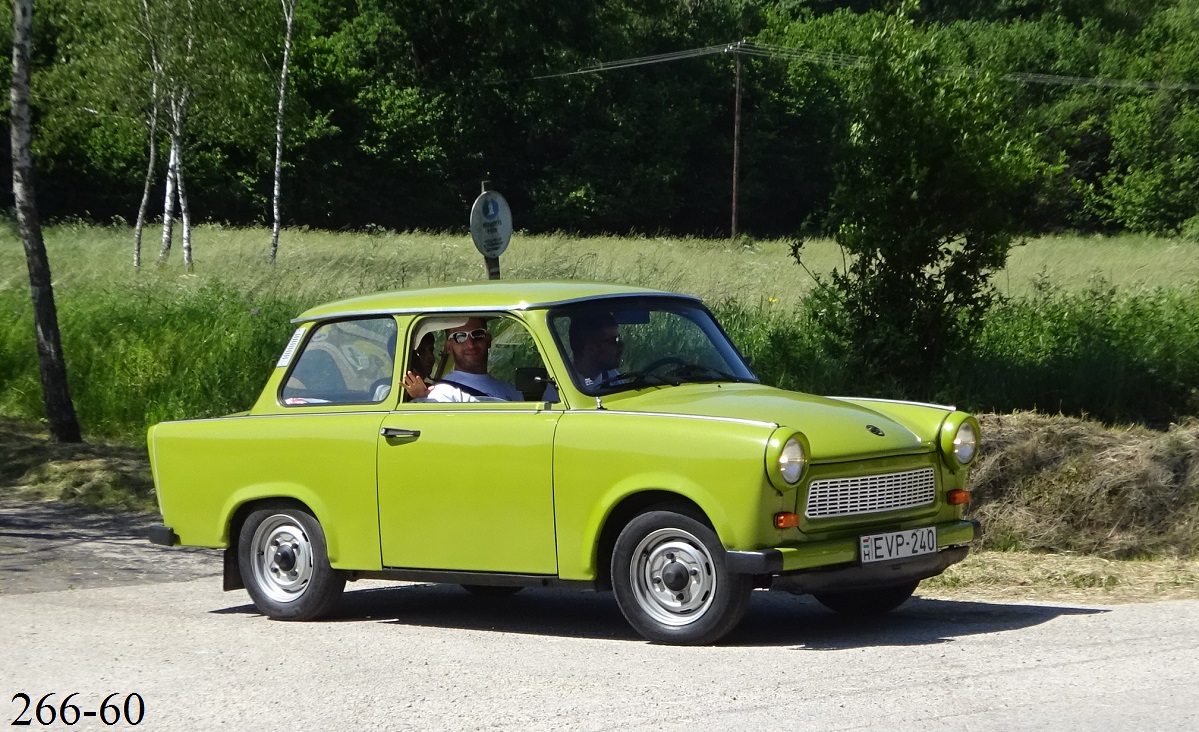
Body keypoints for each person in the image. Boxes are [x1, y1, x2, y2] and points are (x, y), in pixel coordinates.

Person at [425, 317, 523, 402]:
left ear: (488, 340)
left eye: (477, 334)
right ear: (449, 347)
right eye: (460, 337)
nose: (470, 344)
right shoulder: (442, 393)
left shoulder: (511, 392)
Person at [544, 312, 624, 401]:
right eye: (613, 341)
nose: (621, 346)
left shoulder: (613, 377)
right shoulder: (558, 393)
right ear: (590, 348)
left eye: (618, 339)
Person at [401, 332, 435, 399]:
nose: (430, 356)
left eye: (431, 350)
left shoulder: (432, 390)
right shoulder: (386, 389)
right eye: (421, 352)